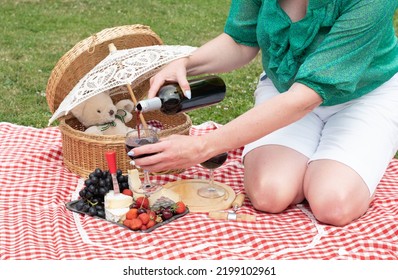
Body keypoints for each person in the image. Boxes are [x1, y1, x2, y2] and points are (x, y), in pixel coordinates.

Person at [130, 0, 398, 226]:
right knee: (270, 194)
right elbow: (240, 41)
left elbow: (305, 98)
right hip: (286, 88)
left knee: (333, 204)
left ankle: (334, 161)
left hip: (365, 96)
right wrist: (187, 63)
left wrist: (203, 146)